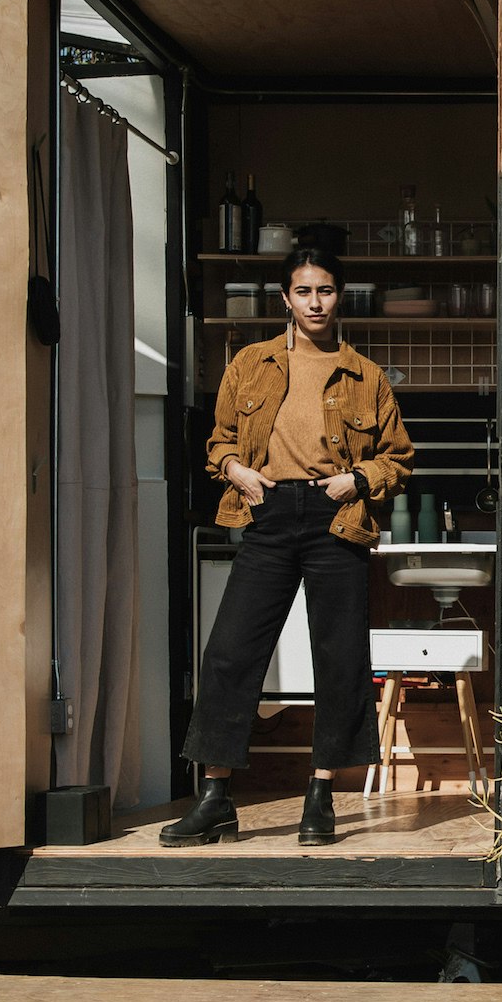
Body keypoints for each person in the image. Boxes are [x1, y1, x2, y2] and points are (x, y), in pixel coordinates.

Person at [162, 247, 414, 847]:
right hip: (268, 515)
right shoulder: (250, 363)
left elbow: (398, 457)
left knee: (339, 658)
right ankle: (216, 797)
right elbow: (218, 439)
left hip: (336, 518)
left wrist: (358, 479)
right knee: (229, 653)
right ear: (286, 299)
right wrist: (235, 470)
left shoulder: (367, 376)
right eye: (304, 292)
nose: (315, 302)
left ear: (339, 296)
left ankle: (321, 794)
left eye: (325, 291)